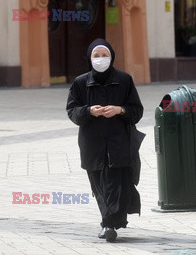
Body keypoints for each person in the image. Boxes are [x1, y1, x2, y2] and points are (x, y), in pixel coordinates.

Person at [66, 38, 144, 242]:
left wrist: (120, 110)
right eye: (96, 56)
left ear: (112, 56)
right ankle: (110, 222)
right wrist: (89, 111)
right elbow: (72, 112)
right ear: (90, 58)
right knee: (99, 186)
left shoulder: (124, 80)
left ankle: (108, 225)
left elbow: (137, 111)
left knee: (115, 185)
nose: (101, 59)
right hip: (92, 144)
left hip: (119, 142)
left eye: (104, 55)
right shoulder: (80, 83)